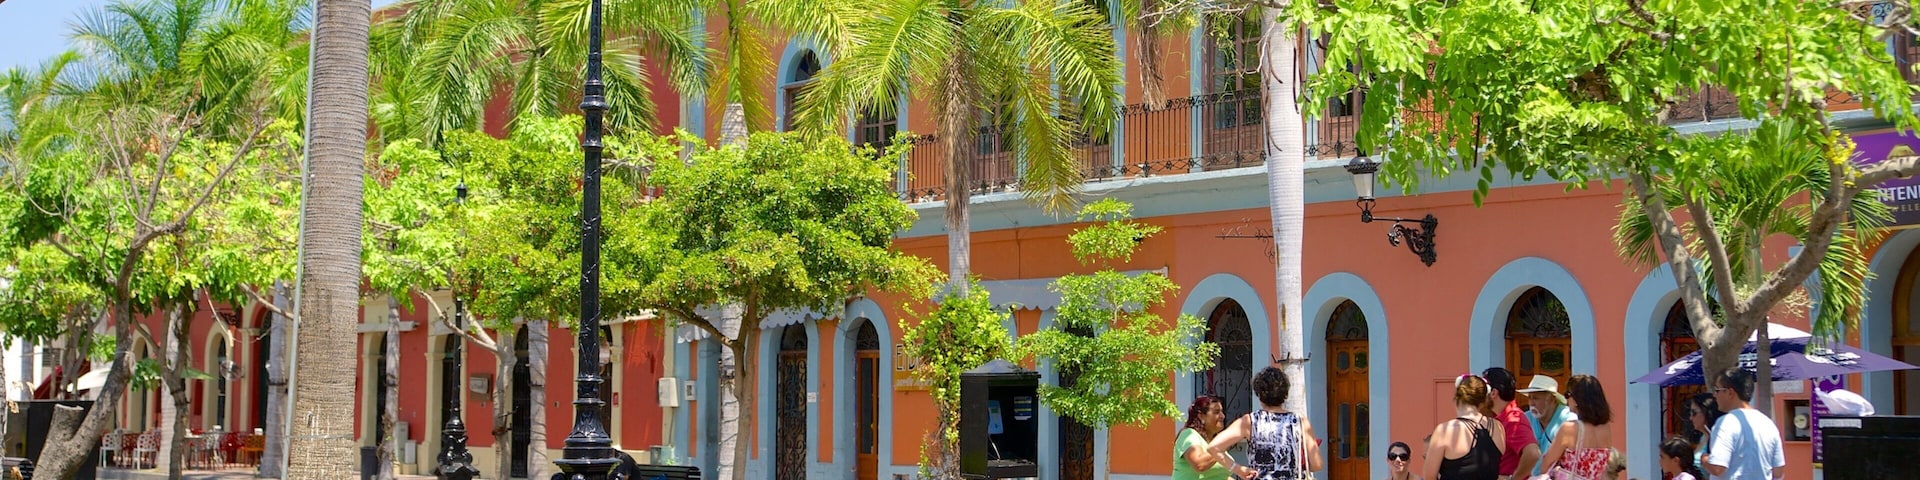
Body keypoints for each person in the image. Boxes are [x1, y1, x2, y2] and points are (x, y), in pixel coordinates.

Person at [1206, 367, 1324, 480]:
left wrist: (1237, 469)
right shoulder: (1300, 421)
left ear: (1259, 394)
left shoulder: (1250, 421)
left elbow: (1213, 447)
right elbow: (1317, 464)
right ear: (1285, 393)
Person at [1704, 370, 1785, 480]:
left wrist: (1704, 459)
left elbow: (1717, 468)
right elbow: (1778, 472)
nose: (1714, 395)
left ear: (1730, 392)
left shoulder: (1726, 423)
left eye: (1717, 390)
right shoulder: (1768, 424)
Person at [1423, 374, 1506, 480]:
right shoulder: (1498, 428)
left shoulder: (1445, 431)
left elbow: (1429, 477)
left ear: (1457, 398)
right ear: (1483, 401)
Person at [1538, 375, 1613, 480]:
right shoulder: (1606, 429)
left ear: (1578, 399)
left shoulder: (1569, 429)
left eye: (1567, 394)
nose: (1566, 399)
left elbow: (1546, 465)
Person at [1482, 368, 1539, 480]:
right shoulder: (1499, 417)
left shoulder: (1513, 420)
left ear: (1493, 393)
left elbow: (1533, 453)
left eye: (1483, 389)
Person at [1516, 375, 1575, 477]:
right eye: (1529, 398)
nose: (1531, 403)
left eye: (1536, 398)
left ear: (1551, 399)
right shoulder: (1525, 418)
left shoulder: (1568, 419)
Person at [1175, 395, 1232, 480]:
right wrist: (1223, 444)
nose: (1222, 416)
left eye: (1222, 412)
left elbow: (1220, 476)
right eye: (1216, 412)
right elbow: (1200, 465)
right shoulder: (1189, 435)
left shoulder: (1214, 441)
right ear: (1201, 416)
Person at [1686, 393, 1723, 474]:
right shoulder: (1703, 437)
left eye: (1694, 413)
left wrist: (1705, 461)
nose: (1691, 418)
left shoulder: (1718, 438)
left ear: (1707, 412)